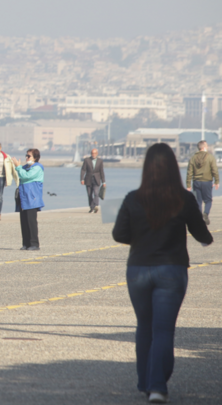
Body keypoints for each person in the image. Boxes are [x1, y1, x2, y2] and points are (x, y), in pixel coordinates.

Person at [112, 143, 212, 404]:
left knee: (144, 326)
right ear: (173, 167)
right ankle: (157, 387)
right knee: (164, 330)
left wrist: (142, 237)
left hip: (138, 269)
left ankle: (144, 383)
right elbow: (201, 234)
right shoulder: (184, 198)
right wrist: (205, 236)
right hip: (172, 269)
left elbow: (118, 234)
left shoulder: (133, 198)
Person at [12, 149, 44, 251]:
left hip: (32, 199)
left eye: (29, 156)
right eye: (26, 155)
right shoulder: (25, 167)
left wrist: (18, 167)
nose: (26, 157)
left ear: (35, 157)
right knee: (24, 222)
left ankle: (34, 244)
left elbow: (26, 176)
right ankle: (26, 243)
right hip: (24, 198)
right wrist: (18, 167)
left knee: (31, 222)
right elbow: (20, 174)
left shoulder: (37, 168)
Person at [186, 140, 219, 225]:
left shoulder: (193, 158)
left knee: (198, 201)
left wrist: (188, 184)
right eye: (207, 146)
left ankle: (199, 218)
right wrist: (217, 181)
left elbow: (189, 172)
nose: (208, 147)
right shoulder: (210, 157)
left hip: (196, 182)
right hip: (207, 182)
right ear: (203, 147)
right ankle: (206, 213)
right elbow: (214, 170)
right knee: (208, 200)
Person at [80, 148, 106, 213]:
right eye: (92, 153)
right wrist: (82, 179)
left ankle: (96, 205)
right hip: (88, 179)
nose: (93, 154)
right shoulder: (87, 160)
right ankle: (91, 207)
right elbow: (83, 170)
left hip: (96, 179)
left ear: (97, 154)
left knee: (96, 193)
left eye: (94, 153)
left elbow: (101, 171)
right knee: (89, 194)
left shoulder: (100, 161)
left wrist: (103, 182)